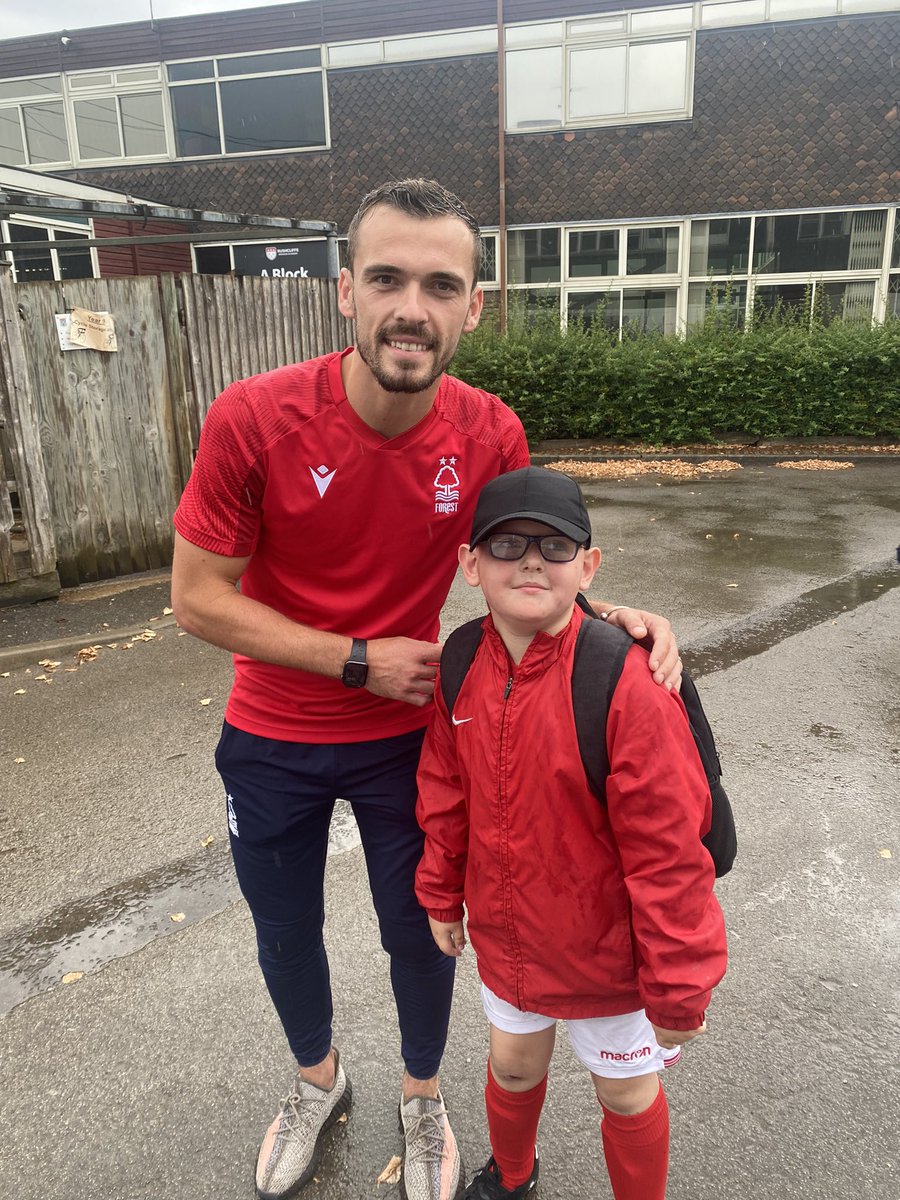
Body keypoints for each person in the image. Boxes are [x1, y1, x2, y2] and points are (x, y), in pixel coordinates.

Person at [170, 179, 683, 1200]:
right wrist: (356, 657)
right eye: (388, 278)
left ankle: (422, 1093)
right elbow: (196, 600)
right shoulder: (255, 418)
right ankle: (317, 1082)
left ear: (473, 307)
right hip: (272, 732)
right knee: (285, 927)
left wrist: (607, 621)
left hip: (413, 741)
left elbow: (520, 571)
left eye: (441, 284)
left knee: (427, 926)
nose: (413, 306)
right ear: (345, 293)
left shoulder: (490, 431)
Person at [415, 466, 727, 1200]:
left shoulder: (623, 680)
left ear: (588, 566)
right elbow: (445, 790)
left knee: (625, 1095)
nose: (531, 559)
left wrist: (679, 987)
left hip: (610, 959)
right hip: (509, 936)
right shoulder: (460, 662)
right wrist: (439, 893)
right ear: (469, 565)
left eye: (556, 546)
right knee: (514, 1066)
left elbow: (671, 856)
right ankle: (513, 1176)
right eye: (507, 543)